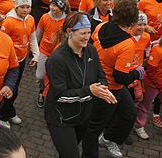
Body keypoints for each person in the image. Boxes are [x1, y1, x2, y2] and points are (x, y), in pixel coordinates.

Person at [45, 12, 115, 158]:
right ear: (70, 32)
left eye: (89, 32)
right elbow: (60, 96)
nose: (87, 37)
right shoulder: (57, 59)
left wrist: (102, 88)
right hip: (61, 118)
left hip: (83, 116)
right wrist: (90, 91)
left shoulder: (91, 50)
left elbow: (101, 75)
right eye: (82, 33)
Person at [83, 0, 144, 158]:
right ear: (132, 20)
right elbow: (121, 77)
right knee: (93, 129)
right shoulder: (127, 44)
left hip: (104, 82)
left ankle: (108, 138)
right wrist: (138, 73)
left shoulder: (102, 27)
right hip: (107, 89)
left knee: (129, 114)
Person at [0, 0, 39, 127]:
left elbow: (32, 37)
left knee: (15, 88)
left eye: (28, 7)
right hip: (9, 61)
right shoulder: (9, 22)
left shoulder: (31, 19)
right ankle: (3, 115)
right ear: (16, 7)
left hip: (21, 60)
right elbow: (1, 41)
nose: (25, 10)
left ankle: (9, 111)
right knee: (10, 88)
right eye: (22, 7)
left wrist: (36, 54)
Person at [35, 0, 70, 107]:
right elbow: (38, 34)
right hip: (44, 50)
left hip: (59, 54)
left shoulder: (67, 21)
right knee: (40, 76)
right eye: (51, 5)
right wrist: (35, 51)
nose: (52, 7)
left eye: (55, 5)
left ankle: (51, 95)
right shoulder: (45, 17)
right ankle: (41, 91)